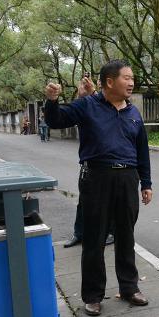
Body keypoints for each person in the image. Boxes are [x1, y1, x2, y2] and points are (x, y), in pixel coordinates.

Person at [44, 59, 153, 316]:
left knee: (126, 236)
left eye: (132, 78)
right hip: (96, 178)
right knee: (94, 239)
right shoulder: (87, 105)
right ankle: (93, 295)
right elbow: (56, 120)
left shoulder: (133, 112)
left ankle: (129, 287)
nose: (132, 82)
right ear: (109, 82)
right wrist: (52, 100)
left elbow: (142, 151)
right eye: (127, 78)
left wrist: (146, 183)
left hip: (127, 179)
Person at [63, 75, 114, 249]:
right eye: (98, 81)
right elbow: (73, 114)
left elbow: (104, 113)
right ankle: (79, 233)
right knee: (84, 201)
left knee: (108, 201)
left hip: (108, 164)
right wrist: (81, 96)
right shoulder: (87, 103)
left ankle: (110, 232)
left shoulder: (112, 103)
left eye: (100, 82)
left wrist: (92, 94)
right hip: (89, 164)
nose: (98, 84)